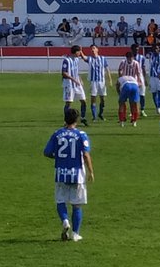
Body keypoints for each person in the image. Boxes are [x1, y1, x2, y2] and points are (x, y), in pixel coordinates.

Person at [43, 107, 93, 242]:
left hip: (61, 173)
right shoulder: (81, 135)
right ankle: (76, 234)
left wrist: (59, 158)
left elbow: (46, 152)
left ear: (65, 118)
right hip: (77, 174)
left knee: (60, 201)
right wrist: (91, 171)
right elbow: (86, 154)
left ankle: (65, 221)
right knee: (77, 205)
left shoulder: (57, 134)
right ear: (77, 120)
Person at [61, 45, 88, 125]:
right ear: (76, 52)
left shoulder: (76, 60)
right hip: (69, 85)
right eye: (79, 51)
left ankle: (83, 118)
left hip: (77, 84)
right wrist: (74, 80)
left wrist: (79, 79)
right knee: (68, 103)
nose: (80, 53)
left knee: (83, 101)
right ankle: (66, 121)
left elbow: (76, 71)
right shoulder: (66, 60)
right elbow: (64, 73)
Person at [116, 47, 143, 126]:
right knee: (134, 103)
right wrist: (139, 82)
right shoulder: (125, 62)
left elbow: (138, 73)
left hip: (126, 83)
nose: (130, 59)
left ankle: (122, 121)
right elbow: (120, 70)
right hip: (134, 83)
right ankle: (134, 121)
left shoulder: (135, 63)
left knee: (122, 102)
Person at [86, 44, 111, 122]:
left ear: (97, 49)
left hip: (101, 81)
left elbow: (107, 69)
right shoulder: (89, 58)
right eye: (91, 49)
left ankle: (101, 114)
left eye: (94, 48)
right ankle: (94, 116)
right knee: (93, 98)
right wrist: (81, 52)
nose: (92, 50)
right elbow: (84, 58)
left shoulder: (103, 58)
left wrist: (110, 79)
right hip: (93, 82)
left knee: (103, 99)